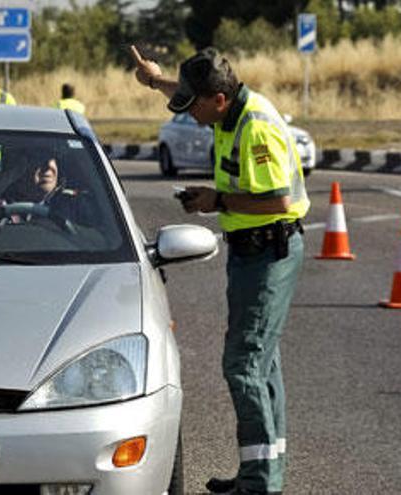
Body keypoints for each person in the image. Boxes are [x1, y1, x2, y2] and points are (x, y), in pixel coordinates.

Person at [130, 45, 309, 495]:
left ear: (219, 100)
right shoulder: (226, 109)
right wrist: (155, 80)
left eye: (195, 107)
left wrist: (216, 201)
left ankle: (259, 484)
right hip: (250, 251)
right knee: (262, 364)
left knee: (244, 364)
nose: (190, 116)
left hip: (270, 250)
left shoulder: (256, 128)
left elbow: (279, 200)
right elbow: (187, 92)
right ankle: (262, 474)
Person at [0, 157, 83, 230]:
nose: (48, 166)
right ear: (19, 171)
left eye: (52, 158)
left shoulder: (71, 206)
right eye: (39, 158)